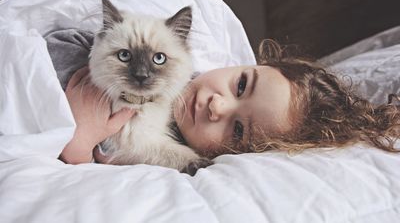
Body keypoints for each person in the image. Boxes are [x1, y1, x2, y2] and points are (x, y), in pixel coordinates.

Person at [60, 39, 400, 164]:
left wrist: (80, 137)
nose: (217, 106)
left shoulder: (178, 159)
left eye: (237, 130)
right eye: (240, 84)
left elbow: (91, 154)